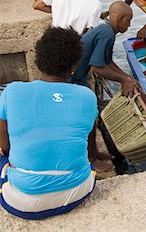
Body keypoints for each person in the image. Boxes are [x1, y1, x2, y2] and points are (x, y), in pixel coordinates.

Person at [0, 27, 97, 220]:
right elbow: (87, 144)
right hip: (78, 190)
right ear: (73, 67)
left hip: (23, 202)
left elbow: (5, 146)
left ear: (38, 60)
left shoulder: (12, 91)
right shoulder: (87, 96)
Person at [69, 1, 137, 171]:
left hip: (77, 75)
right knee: (90, 115)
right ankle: (91, 158)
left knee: (93, 114)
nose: (129, 26)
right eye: (128, 21)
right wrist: (123, 81)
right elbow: (97, 67)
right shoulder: (107, 34)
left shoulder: (104, 29)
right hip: (72, 79)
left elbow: (107, 62)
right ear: (120, 18)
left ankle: (95, 152)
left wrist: (127, 77)